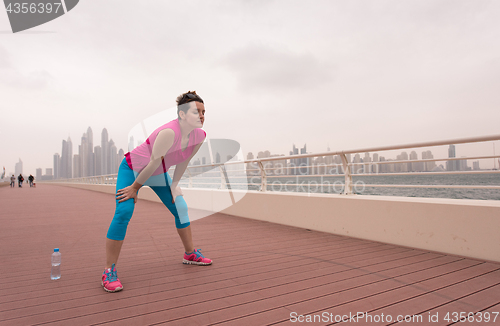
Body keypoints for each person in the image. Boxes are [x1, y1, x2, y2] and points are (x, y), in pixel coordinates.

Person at [102, 91, 211, 293]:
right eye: (197, 112)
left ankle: (190, 254)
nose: (202, 116)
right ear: (182, 115)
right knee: (124, 212)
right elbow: (153, 162)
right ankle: (109, 271)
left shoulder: (200, 136)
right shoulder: (169, 132)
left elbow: (184, 160)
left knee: (181, 206)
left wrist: (175, 184)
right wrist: (135, 188)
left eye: (204, 112)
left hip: (158, 173)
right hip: (133, 169)